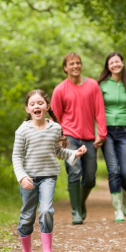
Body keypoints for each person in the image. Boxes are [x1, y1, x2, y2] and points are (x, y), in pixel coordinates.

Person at [12, 89, 87, 252]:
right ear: (27, 109)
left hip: (48, 177)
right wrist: (22, 177)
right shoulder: (22, 131)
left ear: (46, 106)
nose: (36, 106)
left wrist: (74, 154)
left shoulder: (55, 128)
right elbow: (16, 156)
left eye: (40, 103)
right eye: (32, 104)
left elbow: (58, 151)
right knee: (27, 216)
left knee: (46, 210)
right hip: (29, 179)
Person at [51, 52, 107, 225]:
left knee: (90, 177)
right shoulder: (60, 89)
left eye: (78, 63)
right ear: (65, 68)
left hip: (89, 138)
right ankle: (75, 211)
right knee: (75, 172)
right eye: (71, 64)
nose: (75, 66)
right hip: (69, 137)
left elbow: (99, 110)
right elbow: (54, 117)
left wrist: (101, 133)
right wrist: (59, 139)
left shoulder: (92, 85)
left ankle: (80, 203)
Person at [97, 52, 126, 222]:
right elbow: (97, 109)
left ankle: (125, 199)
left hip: (124, 130)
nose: (114, 65)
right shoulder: (102, 85)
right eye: (111, 63)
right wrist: (97, 131)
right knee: (113, 171)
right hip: (106, 132)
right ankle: (117, 209)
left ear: (122, 63)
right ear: (108, 66)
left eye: (117, 62)